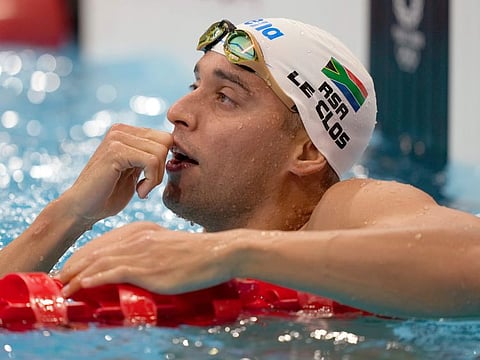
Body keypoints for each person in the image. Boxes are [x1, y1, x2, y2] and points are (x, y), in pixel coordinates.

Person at [0, 18, 479, 319]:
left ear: (309, 154)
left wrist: (232, 252)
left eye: (225, 97)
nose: (177, 112)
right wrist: (65, 217)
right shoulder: (184, 253)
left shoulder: (345, 208)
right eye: (193, 85)